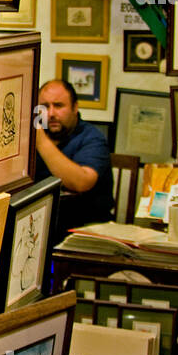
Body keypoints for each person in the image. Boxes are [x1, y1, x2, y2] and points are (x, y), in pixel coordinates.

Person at [34, 79, 113, 242]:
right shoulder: (32, 138)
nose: (51, 113)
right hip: (40, 227)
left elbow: (82, 182)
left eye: (59, 106)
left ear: (75, 107)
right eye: (45, 107)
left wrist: (40, 141)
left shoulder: (92, 138)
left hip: (85, 232)